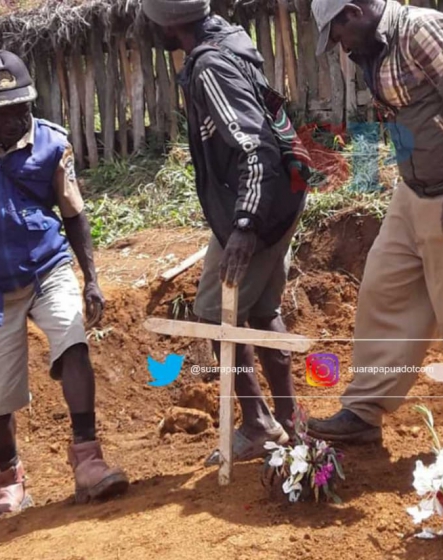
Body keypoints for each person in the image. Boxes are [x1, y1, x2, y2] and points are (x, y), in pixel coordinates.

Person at [306, 0, 443, 464]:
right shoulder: (371, 48)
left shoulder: (420, 30)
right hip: (413, 194)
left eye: (337, 34)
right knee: (384, 293)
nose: (340, 46)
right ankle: (364, 411)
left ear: (352, 12)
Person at [0, 50, 129, 519]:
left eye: (21, 108)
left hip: (45, 270)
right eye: (2, 111)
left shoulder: (52, 143)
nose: (14, 119)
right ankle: (10, 481)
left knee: (72, 342)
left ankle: (88, 460)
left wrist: (91, 279)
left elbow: (74, 213)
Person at [142, 0, 308, 462]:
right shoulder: (232, 42)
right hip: (279, 194)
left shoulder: (210, 66)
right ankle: (290, 423)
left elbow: (256, 148)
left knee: (217, 315)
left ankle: (258, 424)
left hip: (258, 203)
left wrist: (245, 224)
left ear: (170, 25)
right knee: (262, 309)